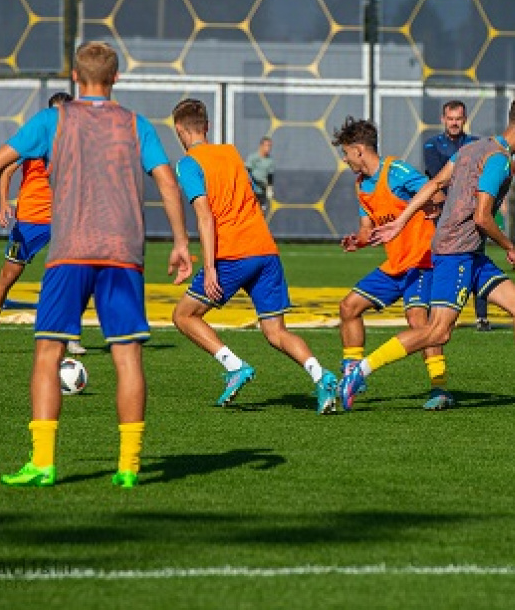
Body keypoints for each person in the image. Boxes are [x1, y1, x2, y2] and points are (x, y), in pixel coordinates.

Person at [0, 41, 192, 489]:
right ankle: (129, 467)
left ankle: (43, 463)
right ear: (116, 78)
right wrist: (181, 241)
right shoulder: (135, 124)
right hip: (124, 253)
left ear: (74, 76)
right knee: (127, 356)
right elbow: (166, 181)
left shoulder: (54, 119)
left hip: (70, 251)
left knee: (47, 353)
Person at [339, 97, 515, 413]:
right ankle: (359, 373)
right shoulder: (499, 159)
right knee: (436, 331)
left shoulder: (471, 149)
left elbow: (433, 184)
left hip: (470, 253)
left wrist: (399, 222)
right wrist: (509, 246)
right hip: (456, 252)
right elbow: (482, 217)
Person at [170, 99, 338, 414]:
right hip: (265, 250)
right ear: (206, 126)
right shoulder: (231, 153)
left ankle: (234, 366)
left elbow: (205, 217)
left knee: (184, 315)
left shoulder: (188, 164)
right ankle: (322, 375)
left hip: (233, 254)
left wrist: (209, 268)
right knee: (276, 331)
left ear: (178, 129)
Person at [333, 117, 453, 411]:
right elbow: (367, 228)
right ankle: (352, 374)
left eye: (346, 153)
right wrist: (358, 241)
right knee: (348, 307)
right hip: (396, 264)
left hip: (423, 261)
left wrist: (431, 212)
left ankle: (439, 389)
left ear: (359, 150)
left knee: (419, 322)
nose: (345, 159)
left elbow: (435, 191)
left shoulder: (396, 171)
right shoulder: (362, 186)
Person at [0, 92, 88, 357]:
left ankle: (69, 336)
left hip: (64, 219)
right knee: (8, 276)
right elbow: (5, 170)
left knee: (74, 276)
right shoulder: (36, 137)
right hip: (31, 219)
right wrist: (4, 204)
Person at [423, 100, 492, 331]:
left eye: (458, 118)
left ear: (465, 119)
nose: (454, 123)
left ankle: (481, 316)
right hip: (443, 212)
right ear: (443, 119)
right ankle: (437, 313)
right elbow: (438, 179)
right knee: (440, 261)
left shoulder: (475, 144)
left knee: (477, 258)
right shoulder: (432, 146)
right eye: (450, 118)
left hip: (472, 212)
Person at [245, 136, 275, 213]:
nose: (268, 148)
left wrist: (269, 188)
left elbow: (270, 176)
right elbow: (247, 172)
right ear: (261, 146)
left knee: (262, 211)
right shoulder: (253, 158)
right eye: (266, 145)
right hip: (252, 191)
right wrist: (255, 183)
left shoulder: (270, 161)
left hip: (262, 192)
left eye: (270, 146)